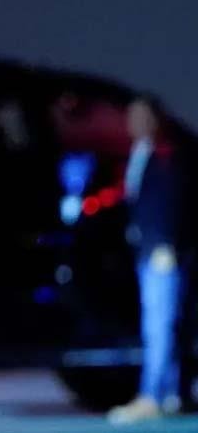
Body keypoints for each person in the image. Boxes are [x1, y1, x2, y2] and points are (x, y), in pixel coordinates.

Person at [107, 96, 193, 424]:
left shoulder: (167, 153)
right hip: (146, 250)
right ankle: (173, 393)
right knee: (164, 325)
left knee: (160, 326)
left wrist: (165, 245)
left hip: (161, 252)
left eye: (143, 116)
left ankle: (153, 396)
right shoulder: (140, 153)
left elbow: (171, 201)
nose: (136, 123)